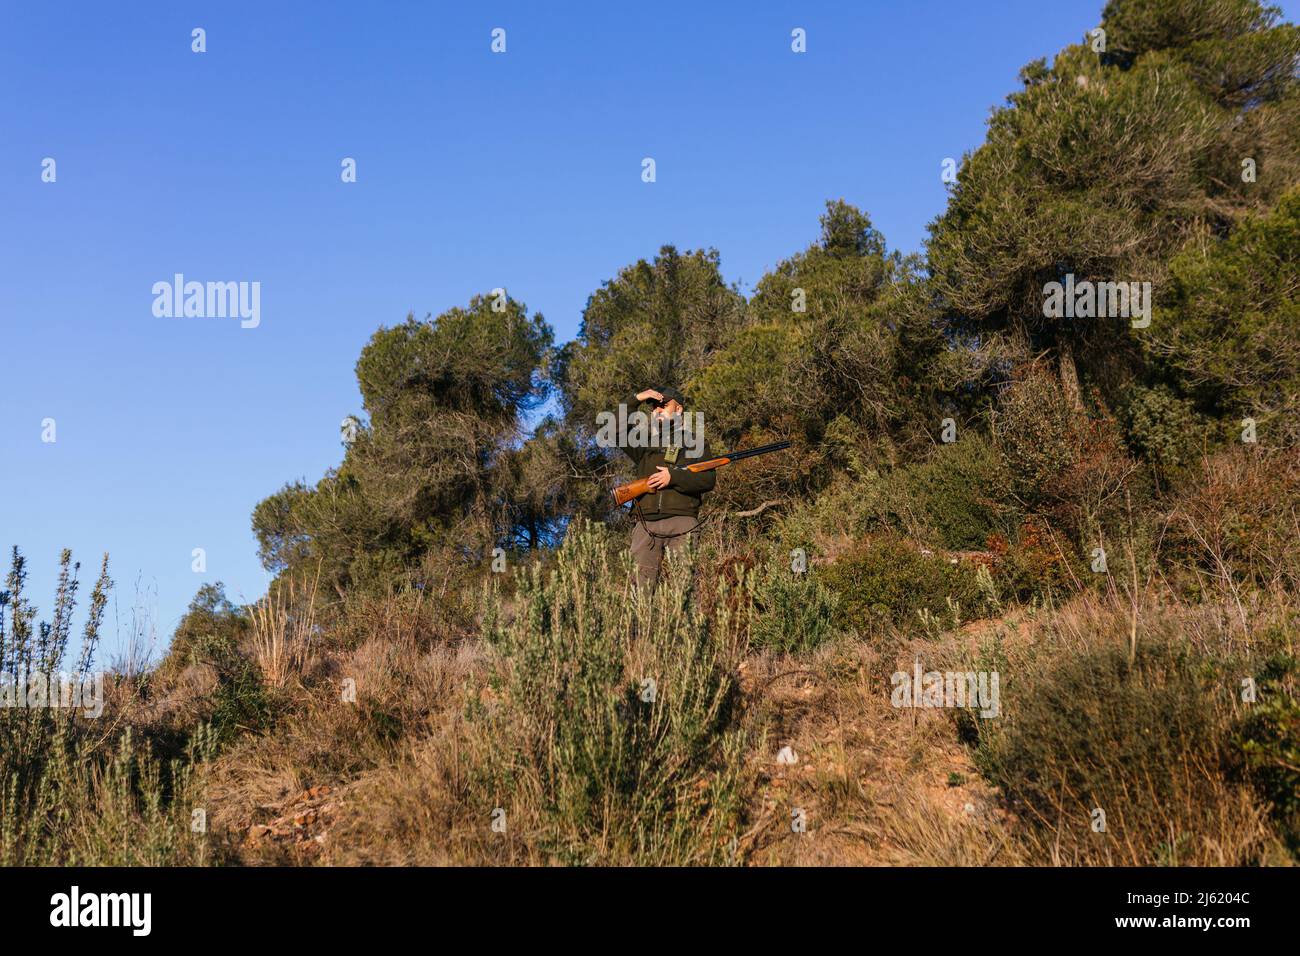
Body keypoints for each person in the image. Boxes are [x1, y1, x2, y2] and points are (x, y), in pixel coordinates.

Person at [619, 386, 715, 588]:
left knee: (686, 590)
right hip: (646, 525)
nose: (657, 410)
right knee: (640, 593)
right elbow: (616, 429)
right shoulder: (643, 441)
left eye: (663, 405)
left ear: (678, 410)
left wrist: (673, 477)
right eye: (653, 407)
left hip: (682, 523)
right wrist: (636, 398)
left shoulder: (694, 441)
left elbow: (707, 480)